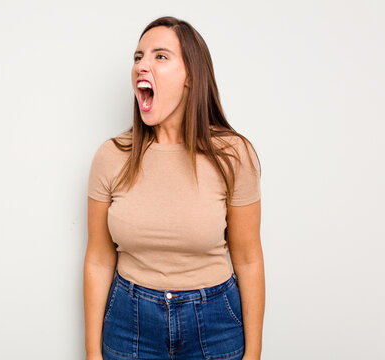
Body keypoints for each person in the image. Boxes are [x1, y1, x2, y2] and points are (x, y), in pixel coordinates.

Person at [84, 16, 264, 360]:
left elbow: (249, 258)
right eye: (138, 57)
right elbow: (98, 258)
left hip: (214, 323)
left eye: (160, 56)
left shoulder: (234, 155)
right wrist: (92, 353)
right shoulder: (110, 156)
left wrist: (253, 354)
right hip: (129, 320)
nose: (142, 65)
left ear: (191, 77)